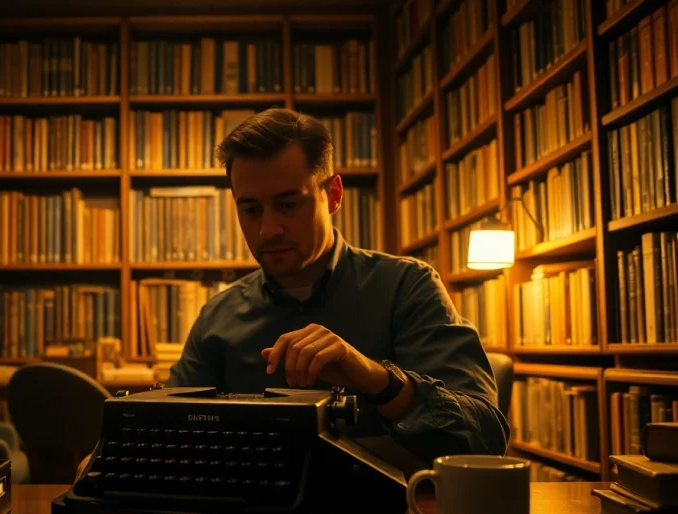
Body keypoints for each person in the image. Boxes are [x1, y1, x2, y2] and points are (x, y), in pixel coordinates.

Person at [164, 107, 509, 464]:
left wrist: (380, 380)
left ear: (333, 195)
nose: (267, 230)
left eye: (287, 204)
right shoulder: (217, 315)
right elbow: (163, 430)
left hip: (382, 513)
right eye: (251, 210)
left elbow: (486, 438)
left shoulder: (406, 287)